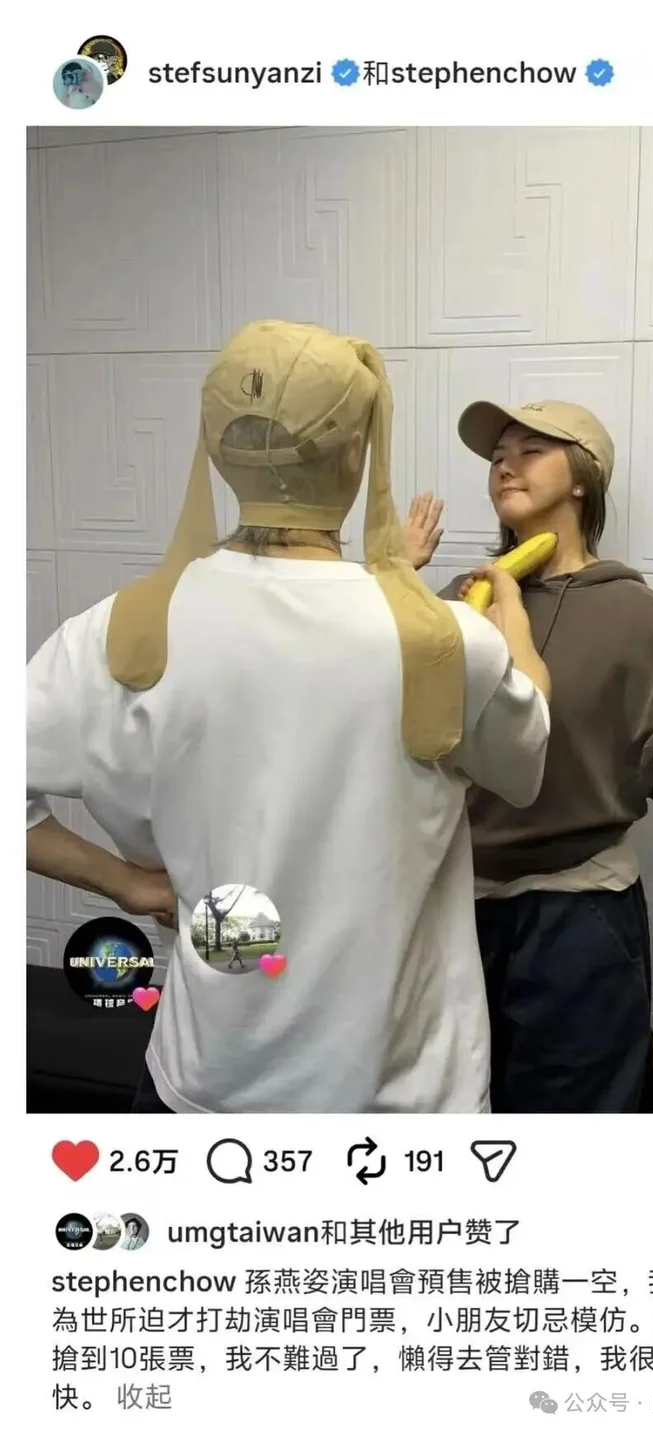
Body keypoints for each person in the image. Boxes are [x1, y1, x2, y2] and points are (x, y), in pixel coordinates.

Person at [27, 322, 552, 1115]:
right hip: (399, 1103)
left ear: (218, 446)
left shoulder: (119, 631)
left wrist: (126, 882)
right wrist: (515, 631)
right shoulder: (443, 642)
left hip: (202, 1088)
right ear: (357, 451)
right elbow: (526, 766)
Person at [425, 398, 653, 1115]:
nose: (505, 466)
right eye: (497, 456)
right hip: (451, 907)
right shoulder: (459, 602)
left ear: (582, 478)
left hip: (577, 917)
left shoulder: (632, 612)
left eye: (530, 451)